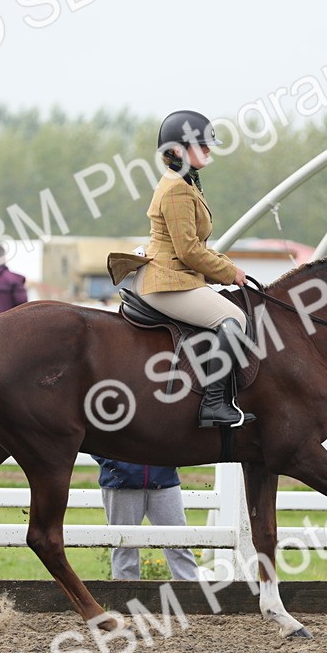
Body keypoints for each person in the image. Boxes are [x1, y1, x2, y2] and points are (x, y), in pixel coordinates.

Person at [107, 110, 252, 428]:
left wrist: (230, 267)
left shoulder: (186, 183)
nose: (209, 150)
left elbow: (193, 245)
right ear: (176, 150)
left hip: (177, 275)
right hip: (166, 281)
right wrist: (228, 274)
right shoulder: (176, 189)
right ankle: (214, 404)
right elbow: (188, 251)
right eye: (201, 145)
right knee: (234, 319)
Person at [93, 457, 199, 581]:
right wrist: (115, 463)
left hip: (164, 480)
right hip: (120, 482)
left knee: (179, 543)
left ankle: (192, 594)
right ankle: (126, 597)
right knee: (123, 545)